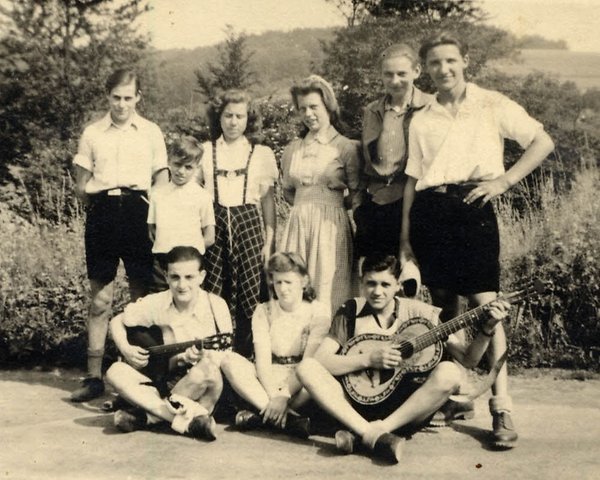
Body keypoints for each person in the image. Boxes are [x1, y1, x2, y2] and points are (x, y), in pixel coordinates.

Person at [400, 32, 555, 448]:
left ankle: (501, 406)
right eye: (434, 63)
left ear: (465, 60)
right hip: (430, 215)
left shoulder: (491, 102)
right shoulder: (422, 117)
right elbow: (413, 181)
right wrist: (405, 240)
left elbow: (542, 141)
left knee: (489, 308)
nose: (443, 69)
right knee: (445, 314)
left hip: (473, 211)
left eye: (450, 60)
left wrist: (504, 180)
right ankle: (453, 396)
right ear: (425, 70)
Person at [297, 254, 511, 463]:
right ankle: (372, 435)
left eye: (385, 284)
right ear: (361, 283)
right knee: (306, 367)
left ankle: (374, 431)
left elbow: (468, 360)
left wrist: (487, 329)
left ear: (398, 285)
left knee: (450, 373)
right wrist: (368, 360)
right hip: (356, 405)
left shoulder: (422, 314)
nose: (377, 291)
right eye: (370, 283)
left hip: (404, 409)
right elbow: (322, 360)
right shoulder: (351, 310)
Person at [71, 69, 169, 402]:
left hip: (140, 213)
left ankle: (139, 375)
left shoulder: (151, 132)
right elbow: (81, 182)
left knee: (140, 298)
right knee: (100, 299)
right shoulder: (93, 132)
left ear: (138, 97)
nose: (122, 104)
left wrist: (153, 212)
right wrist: (99, 204)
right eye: (116, 97)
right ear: (107, 96)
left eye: (129, 97)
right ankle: (94, 376)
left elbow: (162, 177)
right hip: (103, 214)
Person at [105, 246, 233, 440]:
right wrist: (126, 349)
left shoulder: (216, 306)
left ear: (202, 276)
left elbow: (224, 355)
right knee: (115, 371)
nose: (182, 285)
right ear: (166, 277)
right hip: (162, 382)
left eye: (189, 277)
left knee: (207, 370)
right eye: (175, 277)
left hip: (195, 382)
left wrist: (191, 359)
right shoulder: (157, 302)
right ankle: (186, 421)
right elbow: (116, 322)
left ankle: (149, 416)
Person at [199, 89, 278, 358]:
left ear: (248, 119)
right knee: (213, 292)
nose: (233, 122)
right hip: (214, 224)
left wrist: (269, 242)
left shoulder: (261, 153)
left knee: (251, 293)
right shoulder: (205, 151)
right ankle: (214, 356)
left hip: (249, 225)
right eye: (228, 115)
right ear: (219, 117)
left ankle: (247, 357)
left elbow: (268, 202)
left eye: (240, 116)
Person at [220, 252, 331, 438]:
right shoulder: (263, 311)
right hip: (269, 380)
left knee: (314, 374)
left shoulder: (318, 311)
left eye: (289, 282)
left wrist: (284, 395)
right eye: (278, 282)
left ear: (304, 281)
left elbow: (309, 362)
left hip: (300, 383)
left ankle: (262, 416)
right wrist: (274, 397)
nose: (283, 289)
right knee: (228, 360)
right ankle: (287, 420)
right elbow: (262, 362)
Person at [280, 75, 361, 316]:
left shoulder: (346, 147)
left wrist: (331, 205)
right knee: (295, 284)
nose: (308, 113)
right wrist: (306, 208)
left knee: (328, 287)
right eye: (302, 108)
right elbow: (287, 191)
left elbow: (357, 194)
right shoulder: (292, 150)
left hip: (330, 228)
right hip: (298, 226)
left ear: (328, 106)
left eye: (314, 106)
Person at [354, 44, 432, 283]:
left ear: (417, 71)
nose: (395, 80)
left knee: (418, 275)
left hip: (414, 201)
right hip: (377, 202)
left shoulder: (430, 107)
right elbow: (367, 158)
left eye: (402, 74)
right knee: (378, 276)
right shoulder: (372, 110)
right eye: (388, 74)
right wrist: (359, 203)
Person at [148, 136, 215, 293]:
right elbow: (152, 231)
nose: (181, 171)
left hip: (190, 263)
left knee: (189, 305)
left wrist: (189, 254)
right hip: (162, 263)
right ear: (169, 161)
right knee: (160, 305)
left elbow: (210, 236)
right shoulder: (157, 194)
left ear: (197, 167)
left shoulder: (203, 196)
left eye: (188, 167)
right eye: (177, 164)